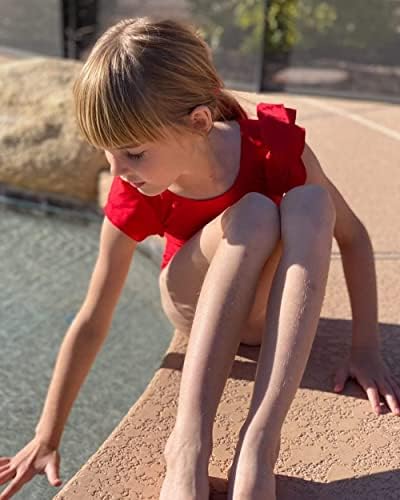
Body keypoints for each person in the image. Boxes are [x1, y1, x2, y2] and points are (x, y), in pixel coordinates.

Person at [1, 16, 399, 500]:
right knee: (252, 214)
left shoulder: (271, 148)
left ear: (198, 122)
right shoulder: (138, 191)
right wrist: (48, 434)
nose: (118, 171)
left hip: (264, 307)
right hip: (192, 298)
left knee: (313, 203)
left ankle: (259, 444)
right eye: (107, 155)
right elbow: (93, 316)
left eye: (132, 153)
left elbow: (352, 236)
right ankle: (187, 446)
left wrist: (365, 349)